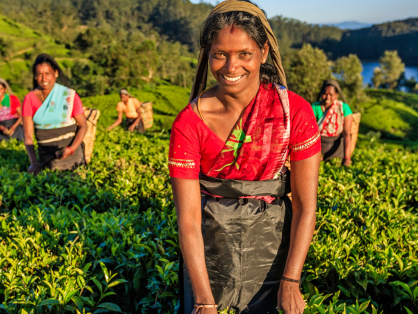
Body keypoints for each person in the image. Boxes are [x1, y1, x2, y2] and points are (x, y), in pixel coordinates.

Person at [169, 1, 321, 313]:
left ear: (263, 52)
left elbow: (306, 206)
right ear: (207, 55)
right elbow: (188, 219)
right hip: (210, 253)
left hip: (274, 253)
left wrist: (291, 281)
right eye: (219, 54)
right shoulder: (189, 123)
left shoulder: (294, 112)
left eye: (244, 54)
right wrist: (203, 300)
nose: (230, 66)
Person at [22, 54, 87, 174]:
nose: (44, 78)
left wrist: (71, 149)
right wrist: (34, 163)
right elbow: (28, 136)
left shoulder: (69, 95)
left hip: (72, 153)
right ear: (35, 77)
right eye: (40, 74)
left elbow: (83, 125)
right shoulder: (29, 99)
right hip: (47, 156)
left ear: (55, 73)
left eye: (47, 73)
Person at [311, 80, 353, 166]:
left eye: (331, 95)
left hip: (337, 150)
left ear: (336, 95)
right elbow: (309, 132)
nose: (327, 97)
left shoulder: (344, 108)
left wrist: (347, 158)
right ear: (321, 93)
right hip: (318, 147)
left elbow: (346, 134)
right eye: (325, 94)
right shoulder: (314, 107)